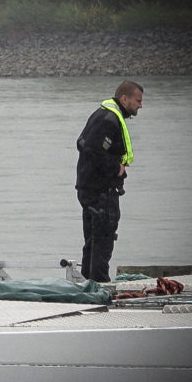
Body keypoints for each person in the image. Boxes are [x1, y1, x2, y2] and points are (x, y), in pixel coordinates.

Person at [75, 80, 143, 282]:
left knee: (93, 240)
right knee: (102, 240)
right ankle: (100, 284)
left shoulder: (104, 114)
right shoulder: (109, 119)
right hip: (100, 192)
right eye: (138, 101)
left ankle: (89, 283)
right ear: (124, 98)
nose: (140, 105)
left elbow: (82, 143)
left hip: (90, 189)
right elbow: (91, 150)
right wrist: (116, 167)